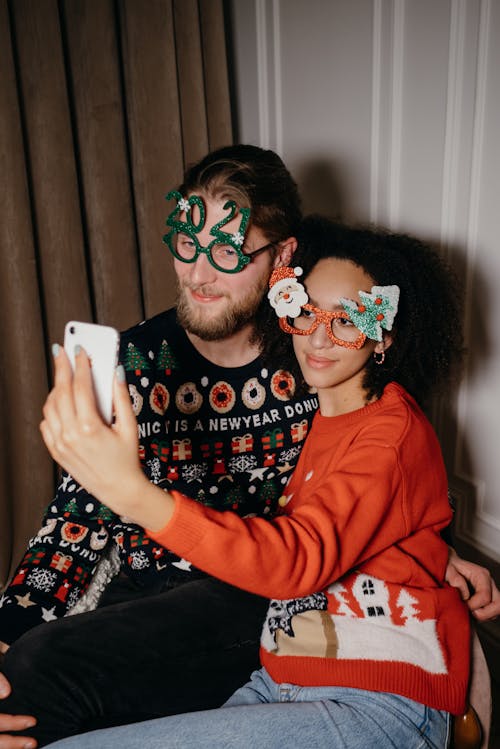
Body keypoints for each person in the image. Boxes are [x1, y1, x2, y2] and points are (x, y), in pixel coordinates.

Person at [0, 147, 497, 749]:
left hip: (257, 593)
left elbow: (364, 483)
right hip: (157, 594)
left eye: (229, 252)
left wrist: (425, 551)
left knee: (44, 672)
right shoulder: (135, 361)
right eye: (187, 244)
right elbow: (74, 524)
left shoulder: (317, 362)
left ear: (282, 256)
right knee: (25, 672)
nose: (199, 274)